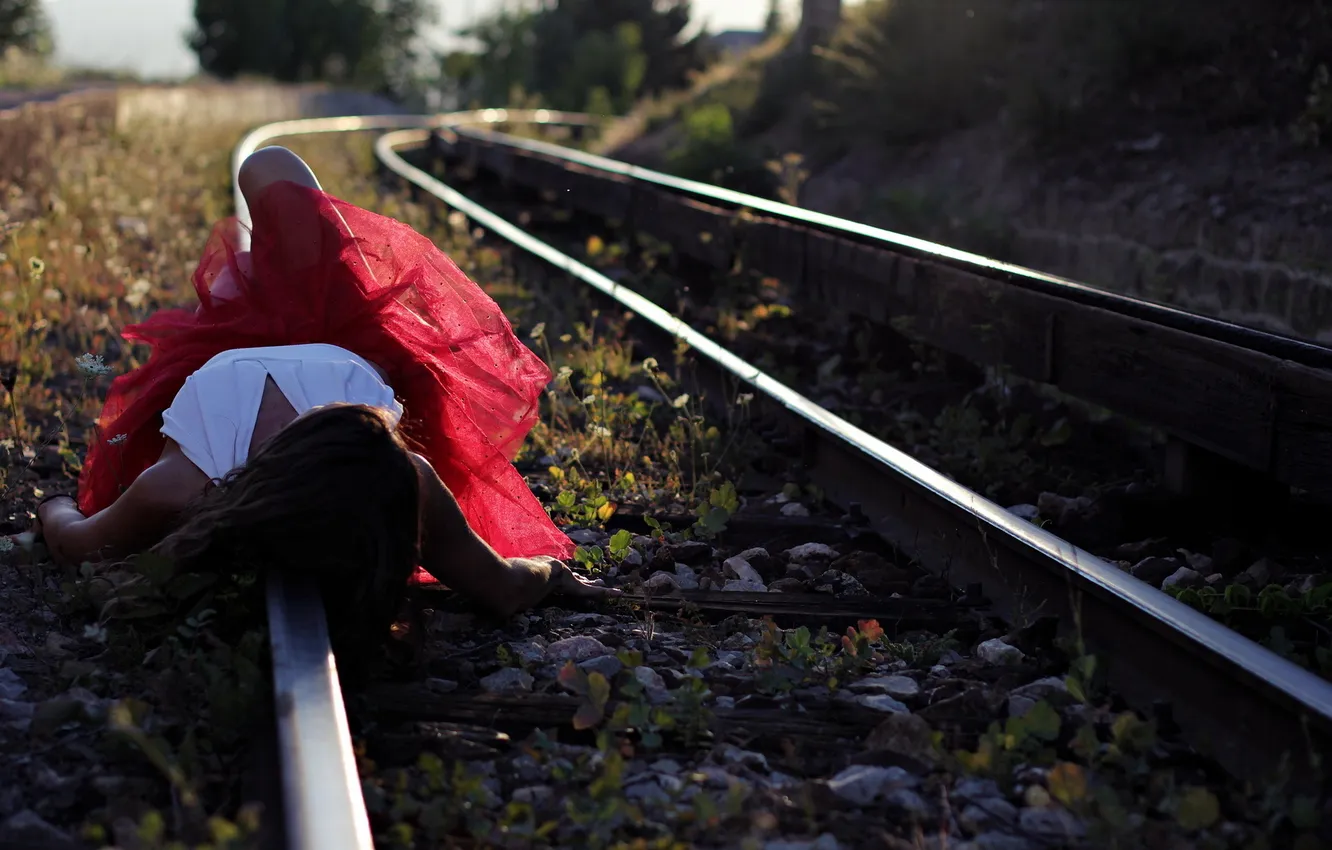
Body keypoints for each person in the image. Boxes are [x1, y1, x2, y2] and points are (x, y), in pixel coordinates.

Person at [32, 146, 616, 649]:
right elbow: (507, 586)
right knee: (269, 166)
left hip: (244, 342)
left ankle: (264, 275)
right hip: (354, 337)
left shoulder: (181, 484)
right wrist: (554, 575)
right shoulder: (405, 476)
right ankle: (292, 277)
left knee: (268, 167)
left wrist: (50, 503)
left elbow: (73, 540)